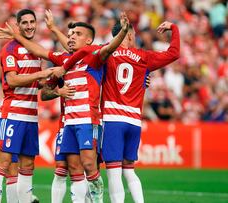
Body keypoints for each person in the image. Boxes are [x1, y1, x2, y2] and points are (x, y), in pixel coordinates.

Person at [0, 11, 129, 203]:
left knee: (90, 165)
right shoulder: (64, 60)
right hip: (68, 124)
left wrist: (122, 32)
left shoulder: (95, 56)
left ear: (89, 40)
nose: (72, 36)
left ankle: (96, 198)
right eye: (71, 34)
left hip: (88, 121)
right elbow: (40, 54)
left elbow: (111, 48)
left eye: (77, 34)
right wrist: (17, 35)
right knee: (71, 168)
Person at [59, 20, 180, 203]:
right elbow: (174, 53)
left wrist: (64, 66)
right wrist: (174, 28)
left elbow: (82, 51)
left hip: (112, 118)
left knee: (114, 173)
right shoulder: (144, 56)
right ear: (130, 35)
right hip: (134, 120)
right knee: (129, 170)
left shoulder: (107, 54)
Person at [0, 9, 53, 203]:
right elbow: (13, 80)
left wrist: (54, 82)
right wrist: (41, 74)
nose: (30, 26)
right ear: (18, 26)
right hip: (13, 114)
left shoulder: (35, 49)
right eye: (25, 23)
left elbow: (35, 83)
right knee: (4, 163)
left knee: (28, 165)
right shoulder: (10, 49)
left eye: (32, 22)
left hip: (31, 116)